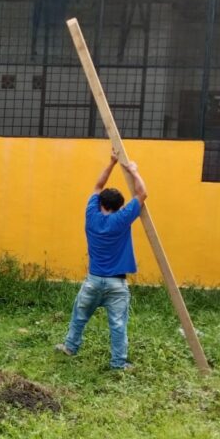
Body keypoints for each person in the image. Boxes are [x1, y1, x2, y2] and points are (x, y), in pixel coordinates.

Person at [57, 149, 147, 370]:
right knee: (118, 325)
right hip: (117, 283)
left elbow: (97, 187)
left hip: (94, 280)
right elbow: (142, 194)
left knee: (79, 316)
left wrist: (112, 163)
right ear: (118, 206)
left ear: (101, 204)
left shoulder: (92, 215)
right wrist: (134, 171)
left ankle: (70, 347)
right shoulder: (122, 218)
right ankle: (118, 364)